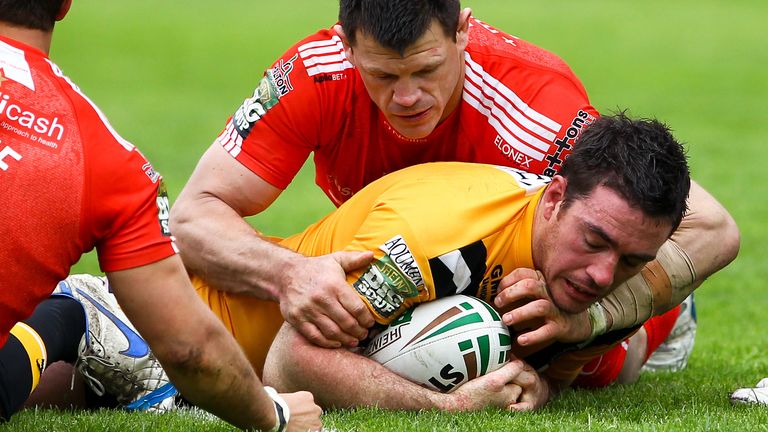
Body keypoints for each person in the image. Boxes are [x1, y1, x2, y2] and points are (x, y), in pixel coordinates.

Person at [170, 0, 739, 358]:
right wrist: (288, 273)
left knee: (563, 351)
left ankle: (664, 321)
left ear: (462, 33)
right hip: (410, 267)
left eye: (425, 69)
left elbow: (712, 227)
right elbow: (194, 217)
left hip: (527, 275)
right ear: (347, 47)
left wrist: (594, 316)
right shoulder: (313, 77)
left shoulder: (535, 107)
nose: (408, 96)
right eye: (383, 76)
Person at [183, 112, 690, 410]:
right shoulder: (434, 237)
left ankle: (672, 321)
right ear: (555, 198)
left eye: (630, 260)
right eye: (594, 240)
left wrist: (539, 385)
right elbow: (289, 363)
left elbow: (553, 377)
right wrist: (446, 407)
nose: (604, 274)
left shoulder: (612, 285)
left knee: (609, 369)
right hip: (180, 336)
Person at [0, 1, 322, 430]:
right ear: (63, 6)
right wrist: (274, 416)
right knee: (62, 319)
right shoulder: (107, 161)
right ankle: (74, 313)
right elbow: (190, 350)